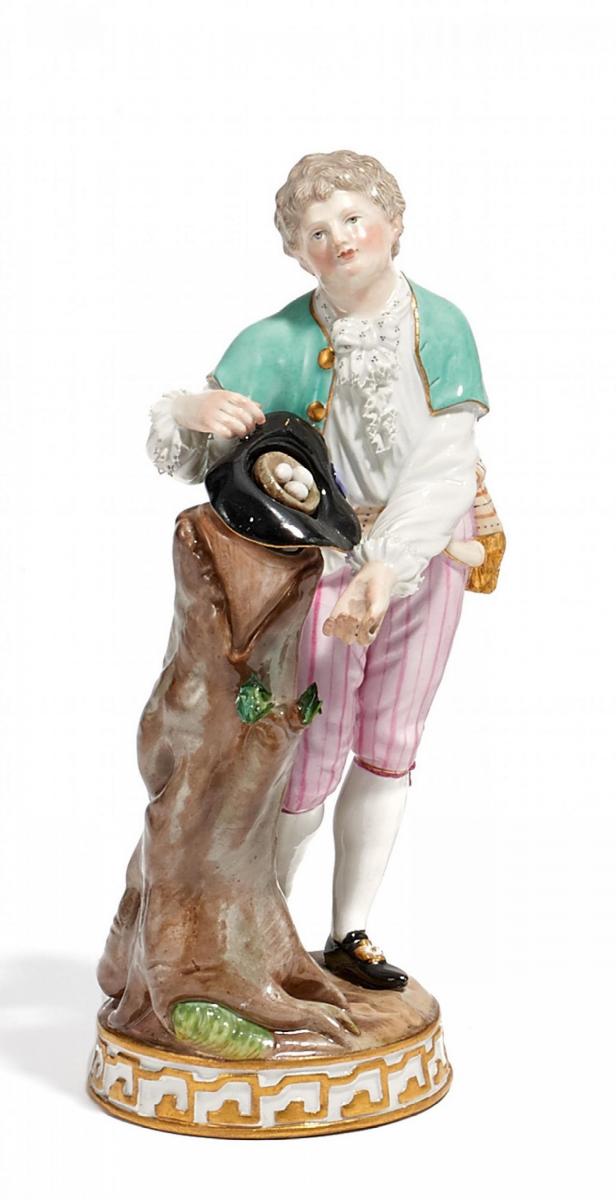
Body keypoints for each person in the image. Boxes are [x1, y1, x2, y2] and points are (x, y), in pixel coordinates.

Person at [147, 150, 501, 991]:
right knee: (309, 739)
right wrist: (191, 410)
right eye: (314, 230)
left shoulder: (441, 326)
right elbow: (205, 455)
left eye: (353, 217)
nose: (338, 238)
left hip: (427, 554)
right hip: (324, 559)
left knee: (392, 740)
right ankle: (260, 929)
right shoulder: (276, 339)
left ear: (393, 222)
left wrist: (391, 566)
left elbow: (446, 462)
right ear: (294, 252)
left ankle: (351, 931)